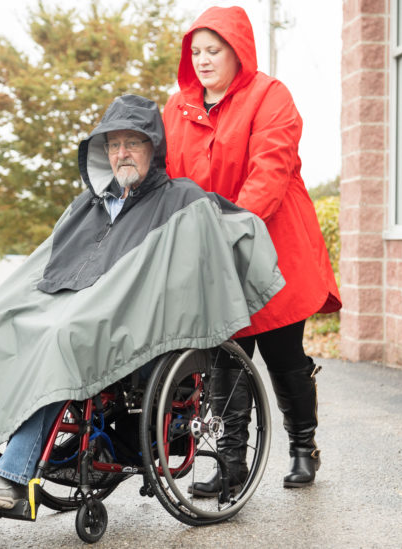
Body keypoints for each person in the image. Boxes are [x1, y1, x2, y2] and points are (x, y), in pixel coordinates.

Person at [0, 94, 285, 510]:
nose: (122, 153)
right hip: (63, 301)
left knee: (61, 339)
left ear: (154, 148)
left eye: (132, 143)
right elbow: (45, 262)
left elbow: (239, 228)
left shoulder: (182, 200)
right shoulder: (87, 206)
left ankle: (10, 479)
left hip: (122, 319)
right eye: (113, 145)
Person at [163, 6, 342, 492]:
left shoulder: (270, 96)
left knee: (285, 356)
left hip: (274, 249)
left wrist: (232, 227)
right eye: (195, 51)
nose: (202, 60)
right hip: (215, 254)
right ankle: (230, 465)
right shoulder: (178, 108)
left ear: (236, 50)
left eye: (212, 50)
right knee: (224, 359)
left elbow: (271, 169)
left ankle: (304, 448)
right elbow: (169, 180)